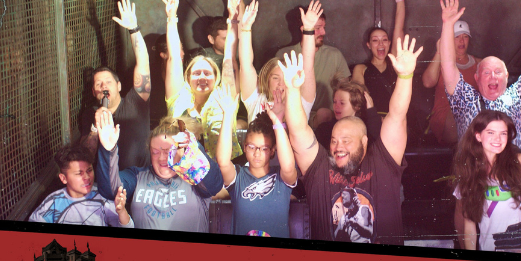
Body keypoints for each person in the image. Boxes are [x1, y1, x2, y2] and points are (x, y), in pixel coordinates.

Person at [281, 36, 422, 245]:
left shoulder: (383, 163)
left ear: (364, 141)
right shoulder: (320, 170)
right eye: (334, 141)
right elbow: (298, 131)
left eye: (346, 140)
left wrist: (405, 76)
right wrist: (292, 90)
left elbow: (397, 116)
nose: (338, 147)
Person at [439, 0, 521, 154]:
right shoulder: (465, 99)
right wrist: (447, 25)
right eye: (486, 72)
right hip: (475, 177)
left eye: (497, 72)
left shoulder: (518, 97)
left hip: (512, 176)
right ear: (476, 78)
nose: (493, 76)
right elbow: (447, 66)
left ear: (507, 76)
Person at [95, 112, 224, 232]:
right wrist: (108, 150)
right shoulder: (138, 176)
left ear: (181, 149)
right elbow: (110, 190)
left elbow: (215, 184)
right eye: (155, 152)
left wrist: (192, 149)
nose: (162, 158)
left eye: (168, 151)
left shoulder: (194, 178)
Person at [162, 0, 242, 159]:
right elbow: (174, 58)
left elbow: (229, 58)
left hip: (222, 173)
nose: (202, 76)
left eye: (207, 73)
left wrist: (233, 20)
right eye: (197, 73)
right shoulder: (178, 97)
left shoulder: (225, 95)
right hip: (181, 170)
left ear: (216, 77)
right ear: (188, 78)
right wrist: (171, 18)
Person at [215, 83, 297, 238]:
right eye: (252, 147)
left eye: (264, 148)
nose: (257, 153)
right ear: (245, 147)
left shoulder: (282, 178)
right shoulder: (238, 177)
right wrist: (228, 114)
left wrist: (276, 121)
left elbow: (288, 166)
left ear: (273, 151)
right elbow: (223, 161)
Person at [79, 0, 151, 169]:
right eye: (99, 84)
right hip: (107, 180)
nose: (104, 86)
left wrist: (133, 29)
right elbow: (85, 156)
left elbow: (143, 64)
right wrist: (95, 130)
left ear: (118, 86)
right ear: (93, 91)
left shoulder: (136, 102)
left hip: (139, 177)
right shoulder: (90, 115)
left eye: (108, 82)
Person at [453, 110, 521, 251]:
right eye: (491, 133)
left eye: (503, 133)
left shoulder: (520, 161)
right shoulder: (469, 167)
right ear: (478, 136)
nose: (498, 139)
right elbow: (469, 222)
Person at [240, 0, 320, 127]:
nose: (280, 83)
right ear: (267, 79)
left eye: (286, 78)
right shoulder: (255, 99)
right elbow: (245, 65)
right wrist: (245, 29)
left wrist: (309, 29)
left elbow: (308, 66)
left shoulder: (301, 101)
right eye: (276, 78)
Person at [276, 5, 350, 126]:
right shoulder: (285, 54)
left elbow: (346, 91)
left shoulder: (334, 55)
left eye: (324, 27)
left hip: (326, 117)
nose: (323, 32)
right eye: (318, 28)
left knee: (323, 114)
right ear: (304, 28)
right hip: (293, 113)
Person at [28, 145, 130, 227]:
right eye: (79, 173)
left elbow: (128, 228)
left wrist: (121, 212)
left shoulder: (102, 197)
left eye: (89, 170)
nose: (87, 177)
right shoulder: (54, 201)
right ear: (63, 178)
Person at [422, 20, 481, 145]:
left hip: (474, 115)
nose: (461, 41)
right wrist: (440, 51)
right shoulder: (442, 62)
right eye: (457, 37)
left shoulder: (479, 63)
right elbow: (427, 83)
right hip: (446, 117)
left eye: (465, 37)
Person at [352, 0, 406, 114]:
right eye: (375, 40)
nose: (381, 44)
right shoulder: (361, 69)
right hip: (372, 120)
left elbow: (399, 28)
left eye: (384, 40)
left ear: (389, 43)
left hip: (395, 119)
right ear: (369, 45)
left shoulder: (395, 64)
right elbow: (358, 95)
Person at [315, 79, 381, 150]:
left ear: (357, 106)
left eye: (342, 103)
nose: (336, 106)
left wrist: (371, 111)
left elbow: (377, 145)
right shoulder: (324, 130)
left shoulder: (367, 131)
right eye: (334, 102)